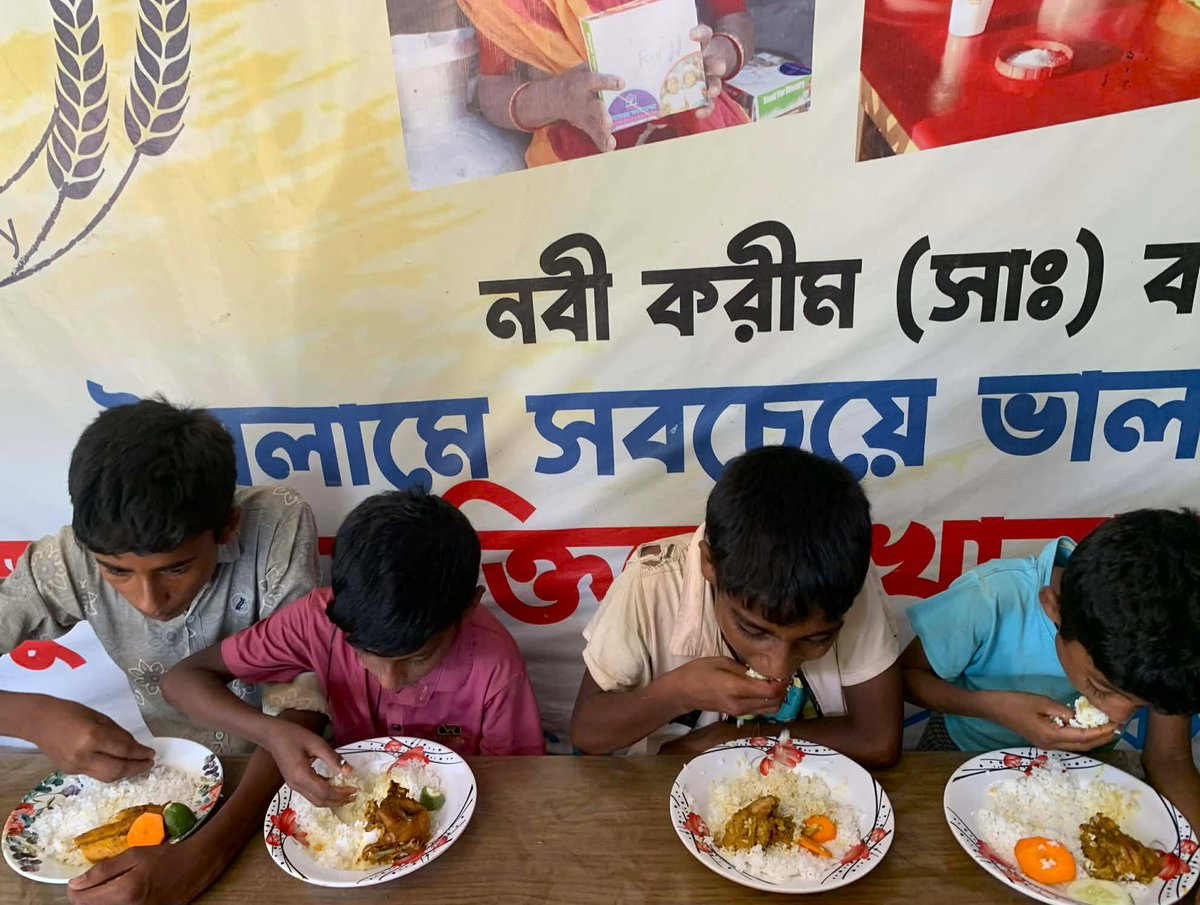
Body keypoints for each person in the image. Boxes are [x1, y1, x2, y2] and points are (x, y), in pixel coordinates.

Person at [0, 398, 324, 905]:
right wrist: (28, 715)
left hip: (278, 788)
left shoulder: (276, 525)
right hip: (171, 787)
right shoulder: (71, 556)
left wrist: (204, 858)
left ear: (228, 528)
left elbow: (301, 706)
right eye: (117, 571)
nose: (148, 601)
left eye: (175, 569)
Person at [162, 488, 545, 808]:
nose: (389, 682)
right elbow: (181, 681)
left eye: (419, 658)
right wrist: (271, 734)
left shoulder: (495, 666)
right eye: (364, 654)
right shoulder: (318, 620)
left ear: (468, 607)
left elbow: (522, 789)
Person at [570, 445, 903, 765]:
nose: (778, 668)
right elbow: (588, 733)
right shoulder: (652, 581)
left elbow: (878, 740)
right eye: (753, 629)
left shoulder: (841, 577)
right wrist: (678, 693)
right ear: (708, 565)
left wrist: (733, 741)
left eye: (815, 639)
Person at [900, 508, 1200, 826]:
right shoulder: (992, 599)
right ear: (1053, 607)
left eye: (1143, 705)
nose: (1120, 716)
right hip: (957, 751)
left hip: (1078, 775)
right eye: (1100, 686)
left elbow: (1170, 757)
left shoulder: (1179, 639)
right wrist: (994, 707)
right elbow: (907, 677)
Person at [460, 0, 755, 166]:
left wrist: (723, 52)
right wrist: (556, 97)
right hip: (578, 164)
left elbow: (735, 17)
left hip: (698, 139)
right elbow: (492, 89)